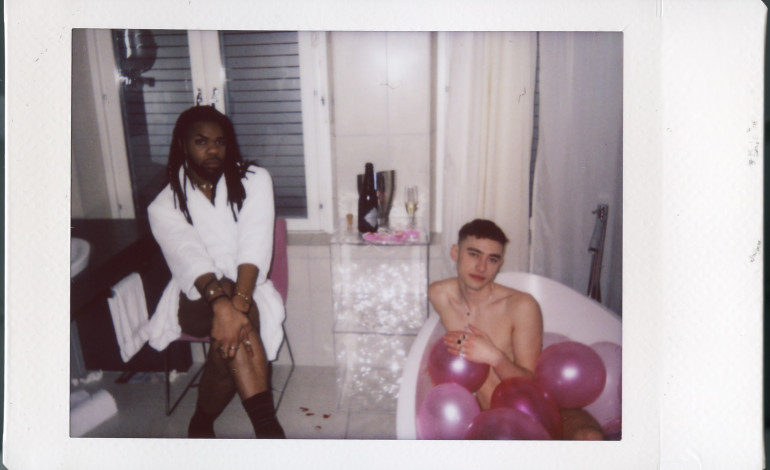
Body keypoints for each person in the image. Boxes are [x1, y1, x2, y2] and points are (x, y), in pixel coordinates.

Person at [148, 105, 285, 439]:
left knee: (235, 330)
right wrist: (223, 306)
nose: (213, 150)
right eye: (201, 141)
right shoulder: (164, 204)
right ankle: (268, 431)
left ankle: (204, 423)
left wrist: (237, 304)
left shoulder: (254, 180)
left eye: (220, 142)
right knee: (237, 316)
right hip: (194, 294)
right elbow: (188, 255)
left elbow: (254, 240)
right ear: (182, 145)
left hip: (248, 287)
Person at [428, 219, 604, 440]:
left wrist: (495, 357)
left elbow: (532, 384)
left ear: (500, 263)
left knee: (589, 438)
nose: (482, 267)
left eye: (492, 259)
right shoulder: (441, 295)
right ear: (455, 253)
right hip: (494, 421)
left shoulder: (521, 306)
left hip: (542, 408)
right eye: (474, 254)